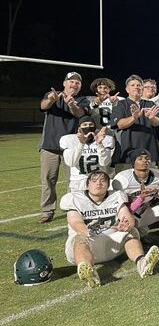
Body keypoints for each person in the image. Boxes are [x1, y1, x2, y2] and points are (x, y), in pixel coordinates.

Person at [60, 171, 159, 288]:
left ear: (108, 185)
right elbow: (77, 225)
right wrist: (99, 230)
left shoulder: (116, 196)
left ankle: (142, 263)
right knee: (80, 238)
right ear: (87, 185)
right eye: (94, 181)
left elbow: (127, 216)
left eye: (103, 181)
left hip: (111, 247)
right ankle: (90, 272)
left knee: (131, 232)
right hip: (85, 246)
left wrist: (127, 225)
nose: (99, 184)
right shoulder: (74, 199)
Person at [38, 71, 90, 223]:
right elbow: (43, 106)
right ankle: (47, 211)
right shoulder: (53, 95)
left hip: (71, 147)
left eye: (77, 83)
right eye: (71, 81)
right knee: (48, 180)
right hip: (50, 145)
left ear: (80, 86)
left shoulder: (82, 100)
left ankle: (73, 209)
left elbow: (80, 114)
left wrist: (71, 104)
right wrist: (51, 99)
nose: (74, 84)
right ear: (64, 83)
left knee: (73, 180)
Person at [112, 149, 159, 231]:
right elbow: (125, 209)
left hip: (146, 210)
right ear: (133, 163)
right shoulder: (123, 179)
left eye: (147, 158)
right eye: (140, 159)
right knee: (130, 222)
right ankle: (139, 232)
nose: (145, 161)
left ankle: (146, 229)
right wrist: (140, 199)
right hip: (130, 213)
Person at [110, 74, 159, 169]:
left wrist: (151, 118)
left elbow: (157, 122)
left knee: (150, 181)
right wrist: (134, 117)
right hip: (127, 151)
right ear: (127, 89)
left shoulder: (150, 103)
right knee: (127, 182)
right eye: (133, 85)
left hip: (149, 149)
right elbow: (120, 124)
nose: (136, 87)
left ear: (142, 89)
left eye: (138, 85)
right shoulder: (121, 104)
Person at [60, 116, 114, 191]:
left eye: (91, 124)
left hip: (98, 181)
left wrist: (99, 144)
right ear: (79, 128)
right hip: (78, 182)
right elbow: (71, 163)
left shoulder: (105, 140)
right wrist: (81, 144)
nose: (88, 127)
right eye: (84, 125)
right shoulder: (70, 140)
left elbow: (104, 163)